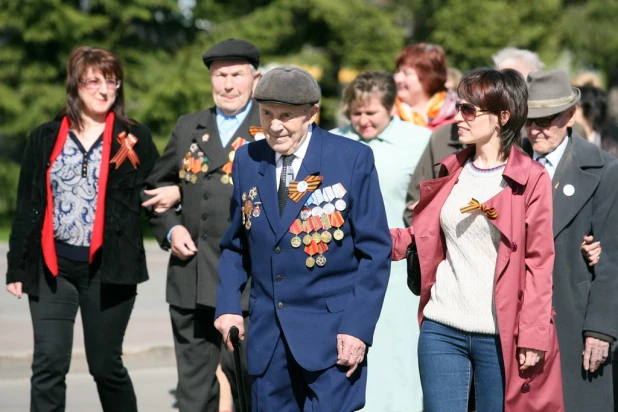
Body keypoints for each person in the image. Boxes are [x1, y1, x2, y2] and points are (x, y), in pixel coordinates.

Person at [214, 66, 392, 411]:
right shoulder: (248, 159)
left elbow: (375, 253)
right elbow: (235, 246)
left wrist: (357, 328)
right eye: (266, 114)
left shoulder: (350, 159)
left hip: (332, 337)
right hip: (268, 340)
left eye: (286, 116)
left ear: (311, 113)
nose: (274, 125)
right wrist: (228, 306)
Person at [391, 68, 564, 411]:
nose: (460, 117)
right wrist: (367, 239)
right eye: (459, 106)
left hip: (499, 336)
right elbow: (423, 235)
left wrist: (532, 335)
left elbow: (539, 262)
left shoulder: (531, 178)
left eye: (470, 110)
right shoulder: (451, 169)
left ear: (502, 116)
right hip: (441, 327)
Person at [5, 46, 159, 412]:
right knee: (48, 364)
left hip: (110, 269)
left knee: (106, 367)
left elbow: (157, 189)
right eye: (94, 80)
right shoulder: (44, 137)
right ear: (75, 84)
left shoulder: (133, 137)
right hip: (52, 269)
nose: (104, 89)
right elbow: (27, 205)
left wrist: (173, 199)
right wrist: (16, 266)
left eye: (111, 81)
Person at [142, 38, 261, 412]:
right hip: (191, 276)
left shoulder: (270, 126)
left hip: (246, 281)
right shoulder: (189, 126)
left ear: (254, 80)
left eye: (236, 75)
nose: (228, 84)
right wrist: (170, 229)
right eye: (220, 75)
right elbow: (154, 187)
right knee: (194, 390)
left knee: (247, 380)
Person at [331, 70, 430, 411]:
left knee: (398, 349)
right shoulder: (332, 141)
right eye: (356, 113)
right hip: (343, 264)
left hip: (397, 264)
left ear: (391, 107)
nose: (362, 121)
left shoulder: (420, 141)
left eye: (371, 112)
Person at [523, 70, 618, 411]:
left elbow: (612, 259)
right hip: (516, 319)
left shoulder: (604, 170)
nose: (537, 129)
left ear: (570, 116)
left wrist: (601, 329)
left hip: (574, 321)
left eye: (547, 120)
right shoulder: (509, 166)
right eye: (530, 120)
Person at [393, 43, 458, 130]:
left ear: (429, 77)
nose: (397, 78)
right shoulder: (385, 112)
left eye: (406, 73)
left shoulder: (458, 115)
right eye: (398, 71)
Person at [572, 85, 618, 157]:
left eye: (576, 107)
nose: (570, 112)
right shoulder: (567, 141)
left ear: (591, 113)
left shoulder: (611, 150)